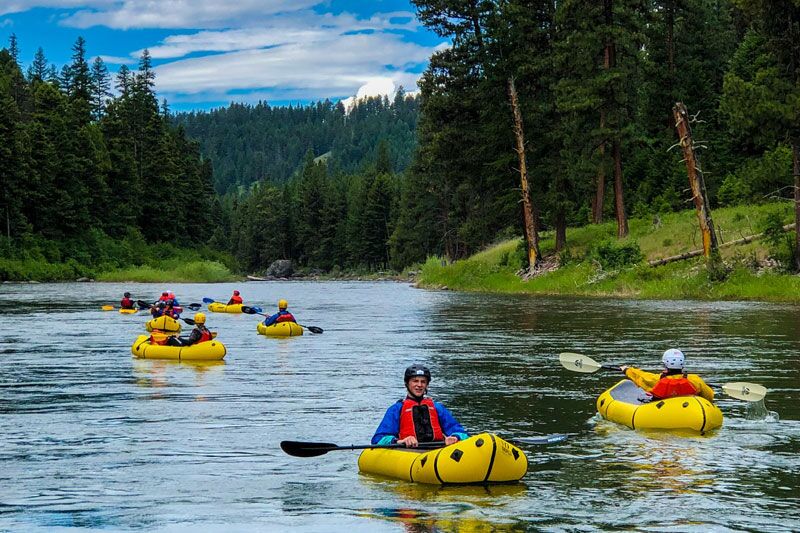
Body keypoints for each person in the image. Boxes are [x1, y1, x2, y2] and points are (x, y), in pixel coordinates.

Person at [371, 364, 469, 447]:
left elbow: (462, 433)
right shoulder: (396, 409)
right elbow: (378, 439)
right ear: (407, 383)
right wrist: (399, 441)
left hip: (436, 452)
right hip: (407, 452)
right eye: (415, 381)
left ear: (427, 385)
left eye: (423, 382)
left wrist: (455, 437)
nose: (419, 385)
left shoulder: (437, 408)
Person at [620, 349, 714, 402]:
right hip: (689, 410)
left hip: (664, 413)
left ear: (665, 365)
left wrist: (627, 370)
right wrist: (705, 386)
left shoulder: (657, 379)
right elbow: (709, 396)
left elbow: (640, 376)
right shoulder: (695, 380)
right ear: (682, 364)